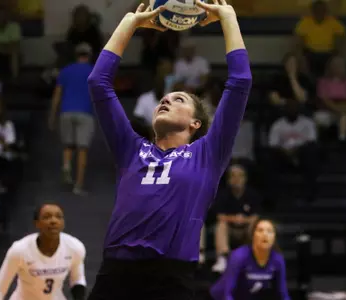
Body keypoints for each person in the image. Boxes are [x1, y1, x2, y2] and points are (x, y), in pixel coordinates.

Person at [87, 0, 252, 299]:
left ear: (195, 124)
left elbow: (240, 81)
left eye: (179, 100)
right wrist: (130, 23)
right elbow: (98, 83)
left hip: (171, 276)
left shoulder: (208, 154)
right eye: (165, 98)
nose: (166, 100)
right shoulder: (130, 149)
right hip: (117, 272)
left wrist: (228, 17)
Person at [0, 203, 87, 300]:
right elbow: (0, 289)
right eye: (47, 217)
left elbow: (77, 279)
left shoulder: (75, 247)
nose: (53, 221)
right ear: (37, 223)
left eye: (58, 217)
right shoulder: (19, 250)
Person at [49, 43, 95, 195]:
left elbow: (57, 95)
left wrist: (52, 116)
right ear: (89, 55)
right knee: (82, 149)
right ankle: (78, 185)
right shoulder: (94, 71)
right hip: (85, 112)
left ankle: (66, 164)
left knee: (68, 144)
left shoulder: (65, 71)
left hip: (66, 111)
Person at [210, 219, 290, 300]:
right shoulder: (239, 256)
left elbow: (283, 294)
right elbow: (228, 294)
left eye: (269, 231)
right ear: (253, 235)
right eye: (260, 230)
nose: (265, 234)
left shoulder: (278, 259)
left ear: (274, 237)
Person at [211, 164, 262, 273]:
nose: (237, 179)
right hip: (230, 230)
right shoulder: (223, 194)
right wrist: (236, 219)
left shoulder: (252, 194)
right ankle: (223, 259)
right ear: (229, 180)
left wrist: (243, 220)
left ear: (245, 179)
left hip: (245, 230)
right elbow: (220, 216)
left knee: (255, 226)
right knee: (221, 226)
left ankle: (254, 259)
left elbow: (255, 217)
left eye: (240, 176)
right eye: (233, 176)